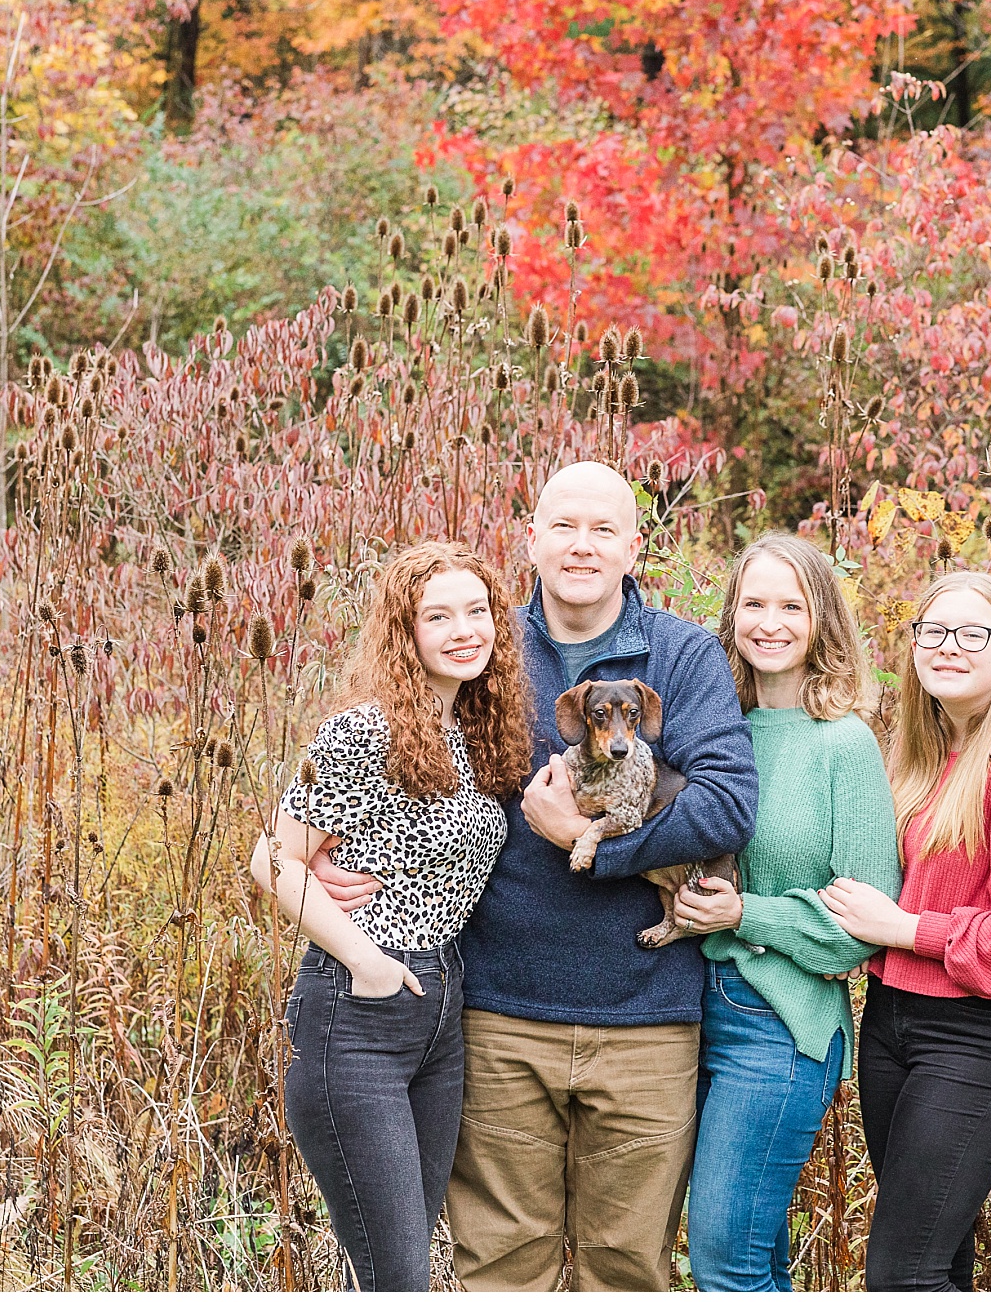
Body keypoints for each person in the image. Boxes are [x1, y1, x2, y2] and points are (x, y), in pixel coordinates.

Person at [309, 461, 758, 1291]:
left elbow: (727, 808)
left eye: (602, 530)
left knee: (627, 1272)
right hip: (499, 1018)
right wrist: (327, 856)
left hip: (647, 1022)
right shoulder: (483, 648)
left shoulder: (682, 656)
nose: (582, 546)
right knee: (501, 1271)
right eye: (564, 527)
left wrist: (591, 843)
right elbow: (398, 760)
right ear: (532, 539)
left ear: (633, 547)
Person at [249, 542, 533, 1291]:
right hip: (359, 1013)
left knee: (393, 1268)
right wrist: (367, 961)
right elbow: (272, 860)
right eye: (437, 616)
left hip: (442, 1012)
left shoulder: (474, 735)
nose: (464, 630)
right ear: (404, 632)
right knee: (399, 1277)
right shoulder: (365, 732)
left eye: (477, 611)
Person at [819, 570, 991, 1291]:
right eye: (932, 631)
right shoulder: (917, 762)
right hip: (892, 1024)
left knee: (904, 1274)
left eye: (973, 634)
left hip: (984, 1035)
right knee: (936, 1261)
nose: (948, 646)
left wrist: (907, 929)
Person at [672, 533, 901, 1291]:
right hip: (684, 1013)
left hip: (780, 1022)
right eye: (754, 604)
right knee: (753, 1256)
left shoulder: (844, 743)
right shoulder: (712, 733)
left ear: (821, 620)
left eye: (791, 607)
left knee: (724, 1261)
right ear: (731, 615)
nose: (769, 623)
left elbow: (861, 924)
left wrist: (744, 914)